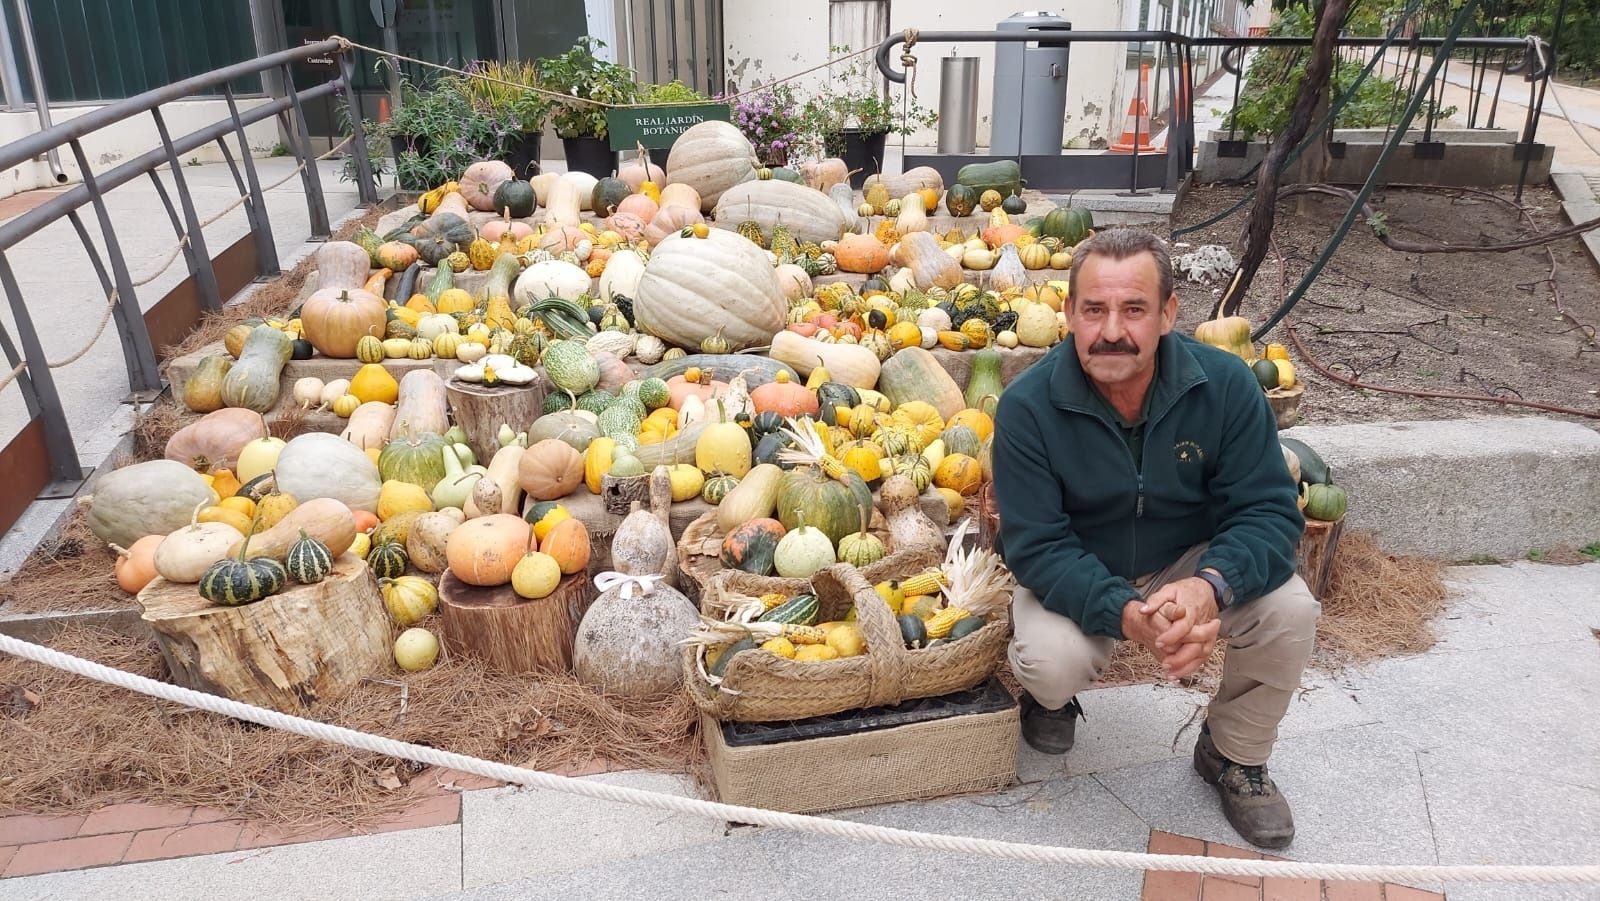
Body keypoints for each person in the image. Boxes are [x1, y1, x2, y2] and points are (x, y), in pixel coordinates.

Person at [991, 228, 1318, 850]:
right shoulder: (1028, 407)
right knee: (1050, 663)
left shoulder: (1224, 387)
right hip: (1083, 568)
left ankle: (1233, 754)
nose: (1111, 330)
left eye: (1134, 309)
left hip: (1190, 562)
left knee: (1290, 609)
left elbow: (1271, 514)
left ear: (1169, 313)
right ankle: (1050, 702)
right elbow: (1036, 545)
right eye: (1094, 310)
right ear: (1068, 315)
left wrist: (1210, 586)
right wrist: (1124, 612)